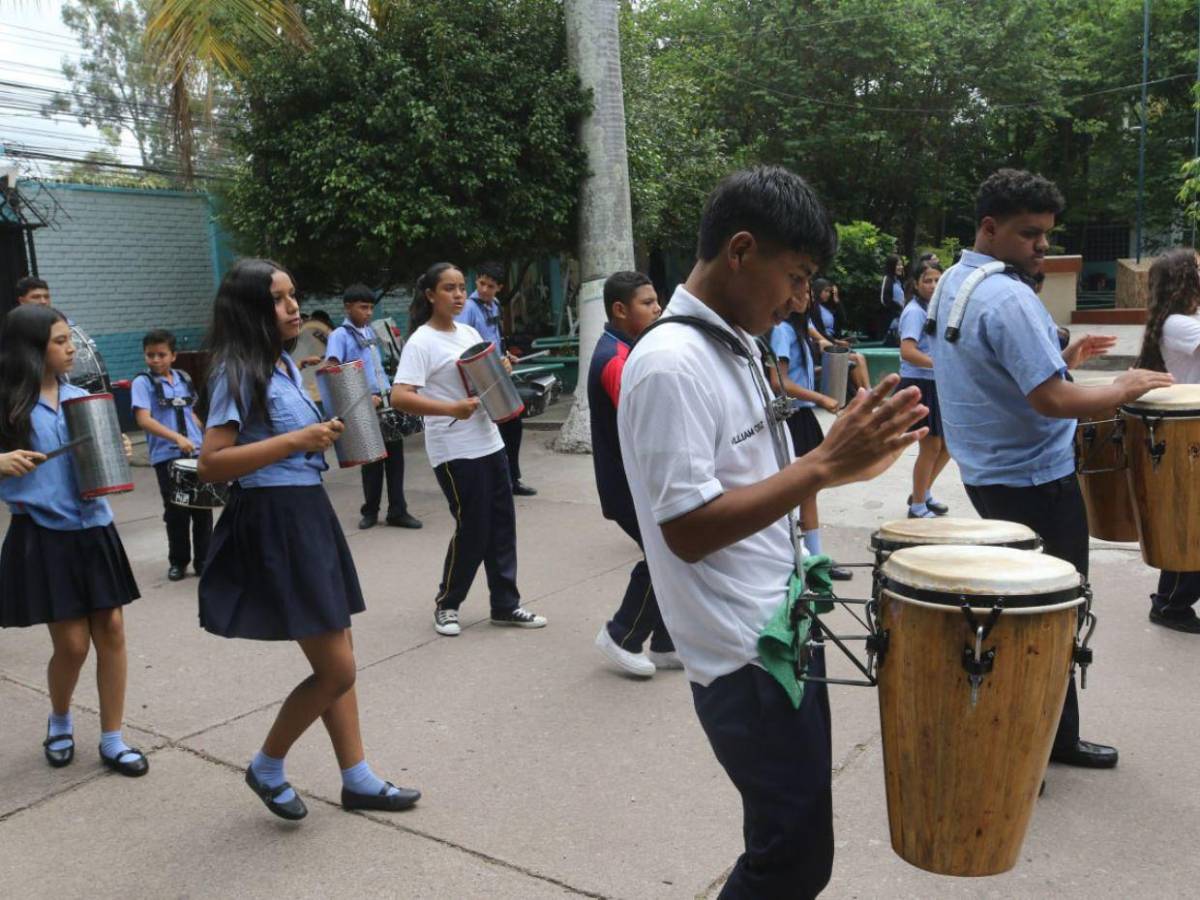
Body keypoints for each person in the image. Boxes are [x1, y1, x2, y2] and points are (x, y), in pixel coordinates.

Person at [619, 166, 926, 898]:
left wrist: (846, 465)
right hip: (741, 657)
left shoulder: (735, 343)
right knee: (790, 856)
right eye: (795, 277)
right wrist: (822, 465)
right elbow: (688, 530)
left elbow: (759, 479)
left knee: (796, 845)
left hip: (780, 625)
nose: (799, 299)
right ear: (741, 250)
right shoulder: (669, 364)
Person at [932, 168, 1174, 770]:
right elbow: (1053, 401)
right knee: (1051, 616)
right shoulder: (1009, 295)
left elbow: (999, 379)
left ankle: (1032, 736)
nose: (1043, 246)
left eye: (1046, 234)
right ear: (990, 228)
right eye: (1030, 234)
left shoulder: (956, 283)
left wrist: (1061, 358)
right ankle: (1042, 744)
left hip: (990, 476)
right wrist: (1122, 385)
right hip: (1035, 481)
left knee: (1019, 612)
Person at [197, 259, 418, 820]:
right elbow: (212, 464)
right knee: (337, 669)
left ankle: (357, 778)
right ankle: (267, 764)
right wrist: (299, 439)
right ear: (251, 309)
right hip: (274, 518)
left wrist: (332, 431)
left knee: (340, 652)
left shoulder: (284, 366)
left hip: (305, 511)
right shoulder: (236, 370)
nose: (294, 307)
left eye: (293, 295)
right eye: (279, 299)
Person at [0, 304, 148, 778]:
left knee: (112, 632)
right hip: (45, 534)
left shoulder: (82, 396)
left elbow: (102, 461)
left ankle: (113, 738)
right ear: (31, 348)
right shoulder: (8, 403)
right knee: (72, 646)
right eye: (60, 341)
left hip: (94, 528)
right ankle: (60, 719)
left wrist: (118, 447)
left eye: (70, 340)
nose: (70, 349)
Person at [392, 262, 546, 637]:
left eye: (462, 287)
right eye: (449, 288)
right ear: (430, 295)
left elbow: (482, 381)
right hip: (453, 448)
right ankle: (447, 604)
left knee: (502, 525)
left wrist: (501, 369)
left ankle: (505, 604)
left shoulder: (468, 331)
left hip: (488, 441)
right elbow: (400, 397)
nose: (459, 295)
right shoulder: (421, 342)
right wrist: (450, 409)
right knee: (474, 527)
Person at [588, 270, 679, 677]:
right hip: (627, 485)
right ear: (620, 309)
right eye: (648, 303)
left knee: (673, 555)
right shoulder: (615, 359)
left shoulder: (629, 347)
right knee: (663, 556)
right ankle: (622, 634)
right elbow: (646, 422)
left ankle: (664, 643)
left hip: (637, 481)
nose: (658, 308)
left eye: (657, 300)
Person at [1132, 247, 1200, 633]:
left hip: (1193, 429)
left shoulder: (1184, 319)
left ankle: (1170, 602)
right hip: (1191, 432)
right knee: (1192, 527)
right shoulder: (1179, 325)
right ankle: (1171, 605)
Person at [767, 288, 854, 581]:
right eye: (796, 289)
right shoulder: (782, 330)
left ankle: (815, 560)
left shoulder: (800, 329)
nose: (803, 295)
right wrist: (820, 398)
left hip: (802, 417)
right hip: (792, 417)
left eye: (807, 290)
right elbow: (779, 382)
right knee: (796, 491)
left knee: (809, 490)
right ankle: (801, 560)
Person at [323, 283, 421, 531]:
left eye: (370, 308)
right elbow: (334, 372)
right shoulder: (340, 336)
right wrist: (363, 396)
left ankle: (398, 511)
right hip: (362, 404)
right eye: (362, 307)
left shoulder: (368, 333)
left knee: (396, 460)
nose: (368, 313)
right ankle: (370, 511)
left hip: (385, 400)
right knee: (372, 462)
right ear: (348, 308)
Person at [131, 329, 212, 581]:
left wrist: (207, 436)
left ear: (173, 355)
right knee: (176, 510)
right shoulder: (142, 383)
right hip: (167, 456)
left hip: (196, 452)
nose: (155, 360)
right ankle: (178, 561)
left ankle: (204, 560)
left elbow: (194, 413)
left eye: (161, 355)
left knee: (202, 508)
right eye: (150, 355)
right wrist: (176, 438)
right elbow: (143, 419)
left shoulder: (184, 379)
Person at [456, 261, 536, 496]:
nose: (484, 289)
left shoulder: (496, 305)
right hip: (481, 376)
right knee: (494, 431)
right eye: (481, 283)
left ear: (499, 288)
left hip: (499, 372)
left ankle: (513, 479)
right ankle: (495, 482)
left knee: (513, 426)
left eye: (490, 286)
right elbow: (463, 344)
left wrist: (506, 355)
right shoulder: (469, 308)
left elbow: (494, 338)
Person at [897, 260, 952, 518]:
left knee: (949, 445)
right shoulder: (914, 312)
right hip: (921, 384)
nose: (932, 285)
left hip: (936, 382)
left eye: (937, 280)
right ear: (916, 284)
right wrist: (940, 364)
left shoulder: (936, 308)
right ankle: (917, 506)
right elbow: (907, 351)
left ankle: (923, 492)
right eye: (927, 280)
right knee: (930, 447)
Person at [880, 254, 905, 343]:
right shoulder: (887, 279)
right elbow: (884, 300)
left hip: (900, 318)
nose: (900, 267)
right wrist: (898, 307)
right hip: (891, 320)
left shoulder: (899, 281)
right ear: (892, 266)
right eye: (898, 265)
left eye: (901, 265)